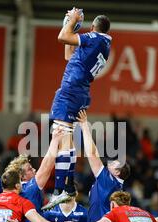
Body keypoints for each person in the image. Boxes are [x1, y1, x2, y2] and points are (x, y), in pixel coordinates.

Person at [47, 8, 112, 207]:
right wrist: (72, 28)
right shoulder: (104, 44)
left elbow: (61, 37)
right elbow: (69, 54)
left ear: (93, 28)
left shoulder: (95, 38)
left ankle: (60, 189)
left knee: (61, 134)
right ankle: (68, 187)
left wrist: (72, 21)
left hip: (71, 89)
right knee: (67, 137)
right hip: (80, 91)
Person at [68, 110, 130, 222]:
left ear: (117, 172)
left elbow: (92, 154)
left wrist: (85, 126)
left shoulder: (108, 181)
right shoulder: (111, 184)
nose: (109, 162)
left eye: (114, 163)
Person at [5, 127, 64, 222]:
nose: (35, 171)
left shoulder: (20, 190)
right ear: (22, 177)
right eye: (30, 169)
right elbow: (48, 164)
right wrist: (55, 139)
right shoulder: (30, 187)